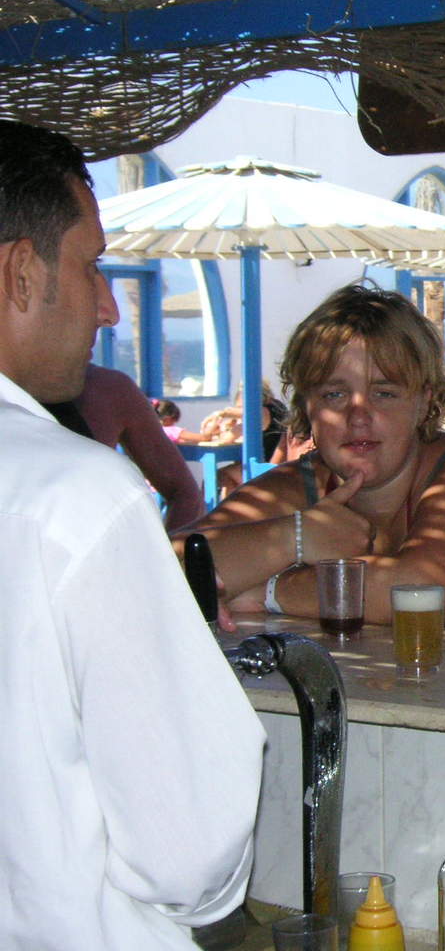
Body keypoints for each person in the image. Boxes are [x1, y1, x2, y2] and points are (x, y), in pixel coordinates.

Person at [0, 119, 264, 949]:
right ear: (20, 274)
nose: (109, 305)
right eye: (91, 267)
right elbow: (186, 849)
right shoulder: (77, 496)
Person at [178, 283, 445, 626]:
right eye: (334, 394)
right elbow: (162, 570)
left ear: (424, 401)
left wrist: (267, 590)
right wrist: (295, 536)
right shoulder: (297, 485)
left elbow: (424, 592)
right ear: (307, 406)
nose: (358, 416)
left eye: (384, 393)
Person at [46, 363, 206, 529]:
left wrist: (168, 546)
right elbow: (186, 494)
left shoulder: (108, 388)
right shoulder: (107, 389)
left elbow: (185, 495)